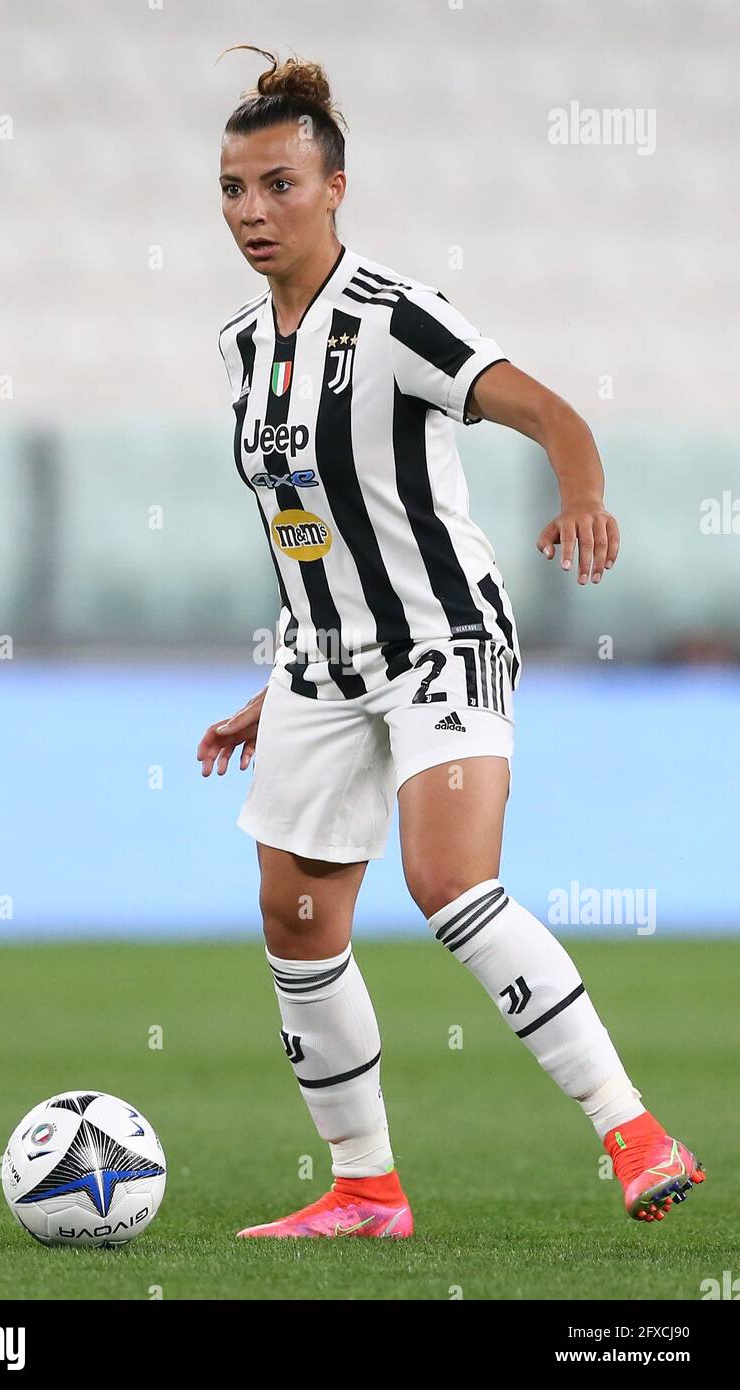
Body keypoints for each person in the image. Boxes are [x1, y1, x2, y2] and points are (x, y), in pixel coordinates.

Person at [198, 45, 705, 1238]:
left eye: (276, 184)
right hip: (322, 666)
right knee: (297, 923)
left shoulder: (392, 315)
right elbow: (306, 531)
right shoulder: (236, 349)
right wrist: (276, 685)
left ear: (332, 189)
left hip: (442, 643)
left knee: (446, 880)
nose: (250, 211)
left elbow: (546, 408)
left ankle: (633, 1129)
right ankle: (365, 1189)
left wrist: (579, 493)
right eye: (230, 188)